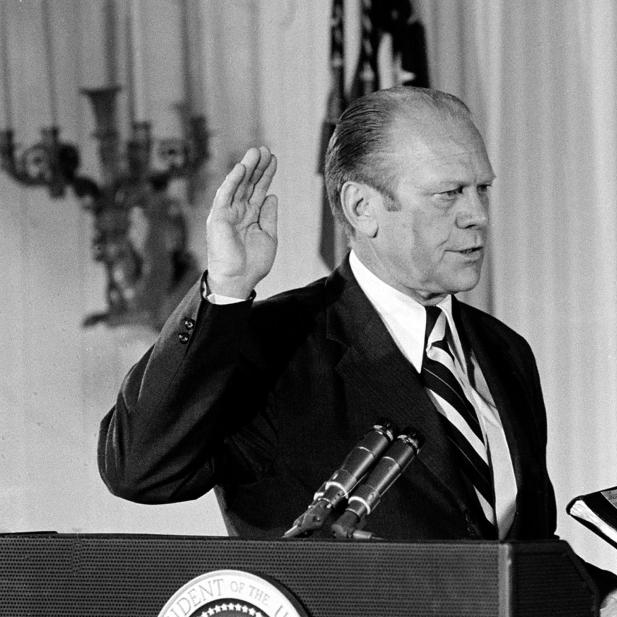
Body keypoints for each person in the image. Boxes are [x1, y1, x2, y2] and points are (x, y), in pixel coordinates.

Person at [98, 87, 558, 543]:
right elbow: (139, 469)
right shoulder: (272, 347)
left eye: (482, 189)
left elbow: (521, 558)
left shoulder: (505, 351)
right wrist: (225, 286)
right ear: (363, 209)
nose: (477, 214)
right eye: (449, 193)